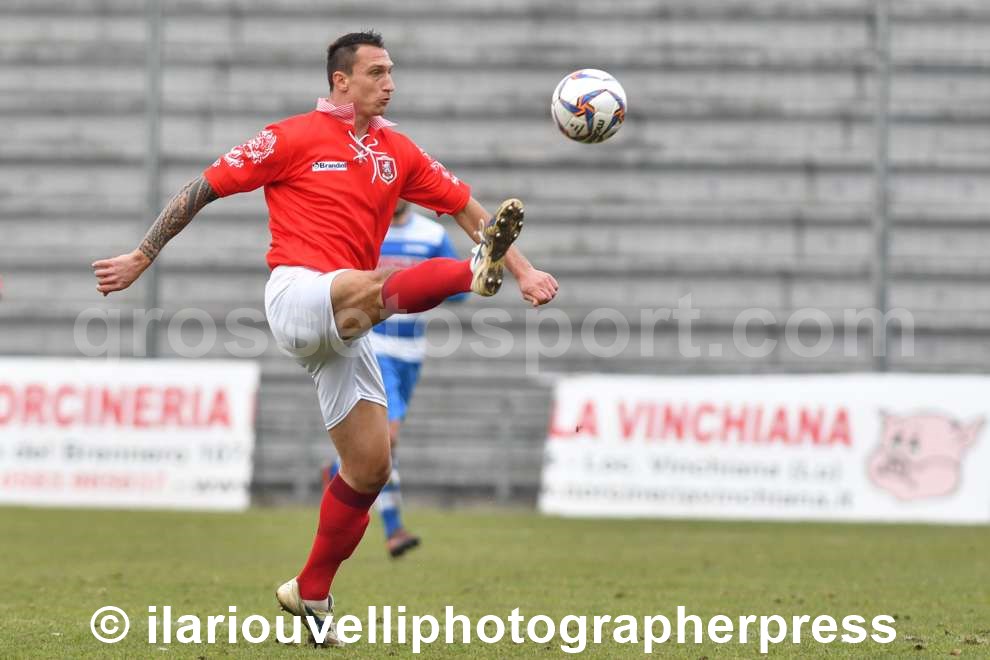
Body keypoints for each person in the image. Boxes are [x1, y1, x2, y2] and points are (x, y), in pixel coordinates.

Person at [91, 30, 558, 647]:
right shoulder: (290, 138)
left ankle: (310, 591)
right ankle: (468, 274)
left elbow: (471, 211)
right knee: (380, 280)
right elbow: (202, 187)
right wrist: (142, 255)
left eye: (391, 72)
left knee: (370, 468)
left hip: (346, 324)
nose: (389, 84)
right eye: (376, 73)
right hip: (298, 293)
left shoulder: (397, 151)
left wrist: (525, 271)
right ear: (341, 81)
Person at [324, 199, 467, 559]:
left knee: (382, 441)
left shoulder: (432, 235)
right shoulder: (368, 230)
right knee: (387, 435)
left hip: (411, 352)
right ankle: (393, 528)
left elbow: (460, 293)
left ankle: (340, 470)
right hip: (374, 344)